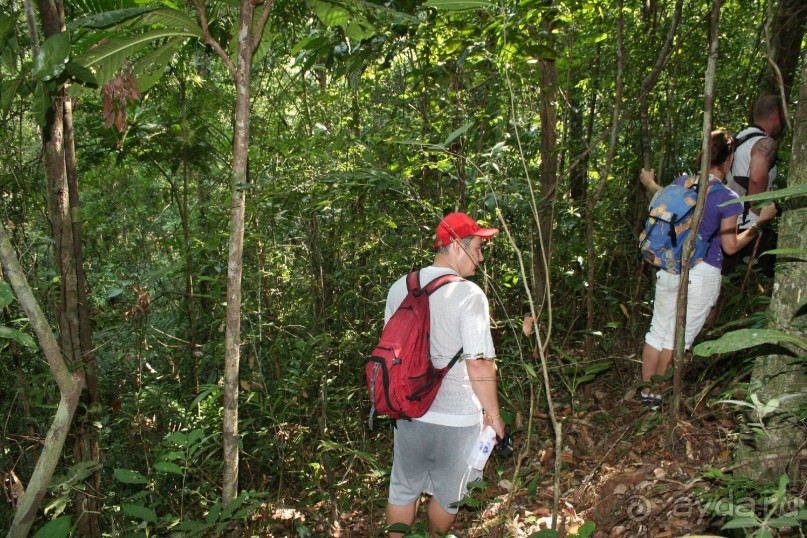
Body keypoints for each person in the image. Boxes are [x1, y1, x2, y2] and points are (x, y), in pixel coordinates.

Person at [384, 212, 505, 537]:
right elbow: (478, 363)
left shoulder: (401, 287)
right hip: (456, 419)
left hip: (408, 411)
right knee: (448, 495)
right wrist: (493, 415)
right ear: (455, 247)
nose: (480, 257)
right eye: (478, 248)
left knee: (403, 488)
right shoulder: (469, 295)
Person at [638, 130, 777, 407]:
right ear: (728, 162)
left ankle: (647, 396)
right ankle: (660, 397)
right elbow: (731, 246)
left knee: (657, 331)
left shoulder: (681, 183)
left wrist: (651, 184)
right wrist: (760, 222)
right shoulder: (727, 198)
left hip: (670, 267)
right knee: (680, 337)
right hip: (702, 273)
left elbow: (664, 200)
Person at [722, 95, 785, 277]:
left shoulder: (736, 139)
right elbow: (757, 178)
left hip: (727, 227)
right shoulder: (765, 143)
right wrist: (760, 214)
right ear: (777, 116)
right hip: (749, 229)